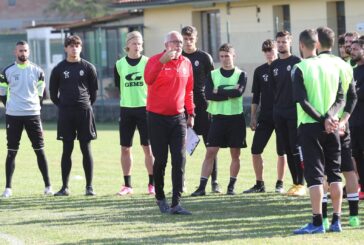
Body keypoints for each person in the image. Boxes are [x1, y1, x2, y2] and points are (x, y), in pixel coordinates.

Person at [292, 29, 344, 234]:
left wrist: (322, 119)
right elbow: (341, 97)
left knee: (314, 176)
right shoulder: (333, 66)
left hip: (310, 126)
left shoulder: (300, 67)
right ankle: (337, 221)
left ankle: (316, 222)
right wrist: (330, 117)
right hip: (331, 126)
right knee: (334, 174)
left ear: (301, 46)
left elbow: (302, 101)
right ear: (318, 45)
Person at [144, 31, 195, 215]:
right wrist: (162, 62)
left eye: (180, 41)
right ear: (166, 44)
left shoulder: (186, 63)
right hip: (156, 117)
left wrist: (191, 113)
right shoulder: (154, 60)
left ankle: (176, 203)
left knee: (179, 159)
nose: (179, 44)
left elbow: (189, 90)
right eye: (174, 41)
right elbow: (148, 79)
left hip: (178, 118)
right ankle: (159, 196)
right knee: (161, 160)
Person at [316, 27, 360, 229]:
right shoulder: (344, 66)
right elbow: (351, 97)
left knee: (326, 172)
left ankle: (325, 217)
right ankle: (352, 216)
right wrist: (343, 121)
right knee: (347, 169)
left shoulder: (313, 65)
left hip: (323, 125)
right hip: (341, 124)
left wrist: (330, 120)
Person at [191, 43, 247, 197]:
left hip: (236, 119)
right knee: (210, 152)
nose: (224, 59)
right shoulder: (213, 75)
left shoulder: (241, 74)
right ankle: (202, 187)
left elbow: (238, 92)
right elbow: (208, 94)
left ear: (233, 56)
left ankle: (231, 186)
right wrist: (228, 92)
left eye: (227, 56)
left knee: (235, 154)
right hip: (217, 119)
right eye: (221, 56)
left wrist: (219, 91)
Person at [0, 40, 53, 198]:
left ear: (28, 52)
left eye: (25, 51)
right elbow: (2, 93)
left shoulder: (38, 71)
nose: (23, 53)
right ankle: (8, 188)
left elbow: (41, 95)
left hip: (33, 115)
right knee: (11, 151)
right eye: (20, 51)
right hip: (14, 116)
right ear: (15, 52)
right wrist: (12, 107)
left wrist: (35, 109)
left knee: (40, 150)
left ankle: (48, 186)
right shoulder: (6, 71)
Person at [49, 35, 98, 196]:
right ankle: (64, 187)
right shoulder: (58, 69)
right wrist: (63, 105)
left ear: (81, 48)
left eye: (77, 45)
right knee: (66, 149)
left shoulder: (89, 67)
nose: (74, 48)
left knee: (86, 148)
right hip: (66, 114)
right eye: (70, 45)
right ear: (65, 48)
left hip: (84, 112)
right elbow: (53, 93)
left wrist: (85, 105)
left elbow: (94, 93)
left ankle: (89, 187)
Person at [243, 39, 287, 194]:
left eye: (271, 49)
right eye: (266, 50)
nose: (269, 53)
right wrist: (253, 117)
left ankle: (280, 183)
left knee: (281, 151)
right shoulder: (259, 71)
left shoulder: (283, 68)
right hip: (265, 117)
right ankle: (259, 184)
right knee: (255, 150)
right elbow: (256, 97)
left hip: (282, 115)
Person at [114, 31, 154, 196]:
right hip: (126, 110)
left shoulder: (148, 62)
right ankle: (127, 185)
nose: (138, 46)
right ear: (128, 45)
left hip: (145, 109)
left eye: (140, 43)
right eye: (135, 43)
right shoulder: (119, 64)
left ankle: (152, 184)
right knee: (125, 148)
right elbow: (118, 86)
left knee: (148, 148)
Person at [181, 25, 220, 194]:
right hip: (182, 106)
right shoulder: (178, 57)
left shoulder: (204, 57)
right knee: (180, 146)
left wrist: (212, 104)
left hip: (203, 106)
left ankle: (215, 182)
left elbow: (212, 82)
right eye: (185, 39)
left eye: (191, 39)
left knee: (210, 145)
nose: (188, 42)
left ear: (196, 38)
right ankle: (180, 183)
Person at [269, 31, 305, 196]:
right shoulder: (274, 65)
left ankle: (302, 183)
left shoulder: (298, 62)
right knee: (287, 149)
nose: (281, 44)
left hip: (294, 112)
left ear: (290, 42)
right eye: (279, 42)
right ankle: (295, 183)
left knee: (296, 147)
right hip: (279, 112)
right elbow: (273, 90)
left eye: (284, 41)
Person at [350, 39, 364, 200]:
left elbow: (356, 94)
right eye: (351, 49)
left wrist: (353, 93)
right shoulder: (353, 71)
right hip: (354, 123)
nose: (351, 51)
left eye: (355, 49)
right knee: (357, 155)